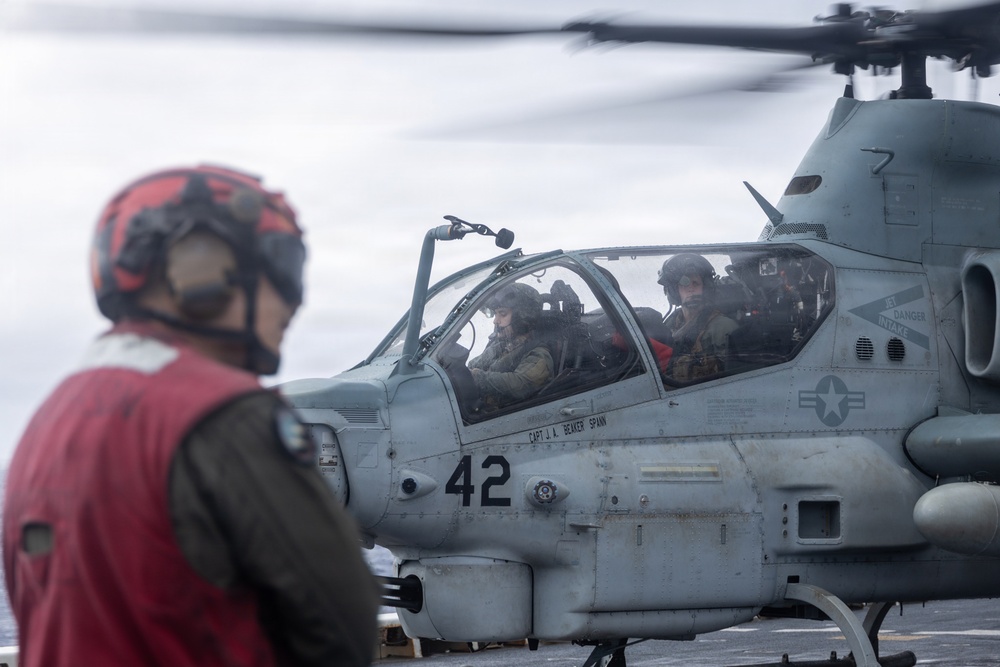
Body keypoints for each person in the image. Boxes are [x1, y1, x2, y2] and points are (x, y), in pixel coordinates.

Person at [3, 165, 380, 667]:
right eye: (282, 264)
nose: (294, 300)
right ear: (200, 268)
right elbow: (342, 625)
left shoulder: (45, 425)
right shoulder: (229, 417)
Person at [468, 282, 554, 410]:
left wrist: (478, 377)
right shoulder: (502, 344)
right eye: (495, 314)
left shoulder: (539, 354)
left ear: (522, 317)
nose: (495, 321)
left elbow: (520, 384)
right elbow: (474, 364)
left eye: (502, 314)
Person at [657, 253, 738, 382]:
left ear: (706, 288)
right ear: (674, 292)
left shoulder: (723, 327)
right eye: (684, 283)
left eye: (696, 283)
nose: (691, 289)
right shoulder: (669, 324)